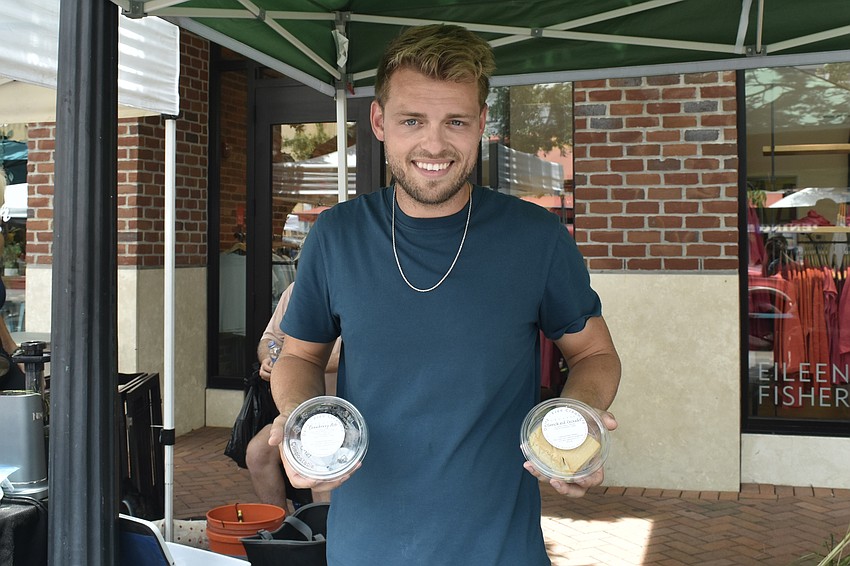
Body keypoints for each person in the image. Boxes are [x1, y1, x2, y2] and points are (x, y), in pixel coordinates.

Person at [269, 24, 621, 565]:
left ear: (481, 124)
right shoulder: (336, 236)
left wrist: (576, 423)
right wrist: (301, 419)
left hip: (501, 548)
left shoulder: (536, 238)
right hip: (365, 545)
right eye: (413, 121)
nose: (434, 145)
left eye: (455, 121)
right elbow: (299, 356)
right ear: (381, 123)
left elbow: (594, 353)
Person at [246, 281, 340, 509]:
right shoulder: (298, 289)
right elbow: (269, 339)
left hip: (343, 413)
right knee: (258, 453)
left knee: (319, 470)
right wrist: (270, 360)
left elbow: (340, 358)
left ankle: (323, 538)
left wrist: (294, 362)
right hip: (300, 412)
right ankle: (283, 532)